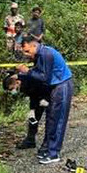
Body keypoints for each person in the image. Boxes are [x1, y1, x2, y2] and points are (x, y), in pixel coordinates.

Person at [17, 34, 73, 164]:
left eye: (27, 50)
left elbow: (44, 77)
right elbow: (38, 74)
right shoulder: (39, 55)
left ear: (34, 45)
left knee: (58, 120)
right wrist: (20, 75)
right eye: (24, 51)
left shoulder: (45, 54)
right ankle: (47, 148)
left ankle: (54, 153)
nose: (26, 54)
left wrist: (27, 71)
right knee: (51, 118)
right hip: (53, 87)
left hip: (62, 85)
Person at [3, 73, 50, 155]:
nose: (12, 91)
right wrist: (32, 110)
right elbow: (33, 95)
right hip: (38, 97)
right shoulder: (23, 86)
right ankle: (30, 140)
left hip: (48, 93)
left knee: (50, 119)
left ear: (17, 82)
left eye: (12, 89)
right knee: (33, 119)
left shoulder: (29, 79)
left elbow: (44, 85)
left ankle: (49, 144)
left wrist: (46, 98)